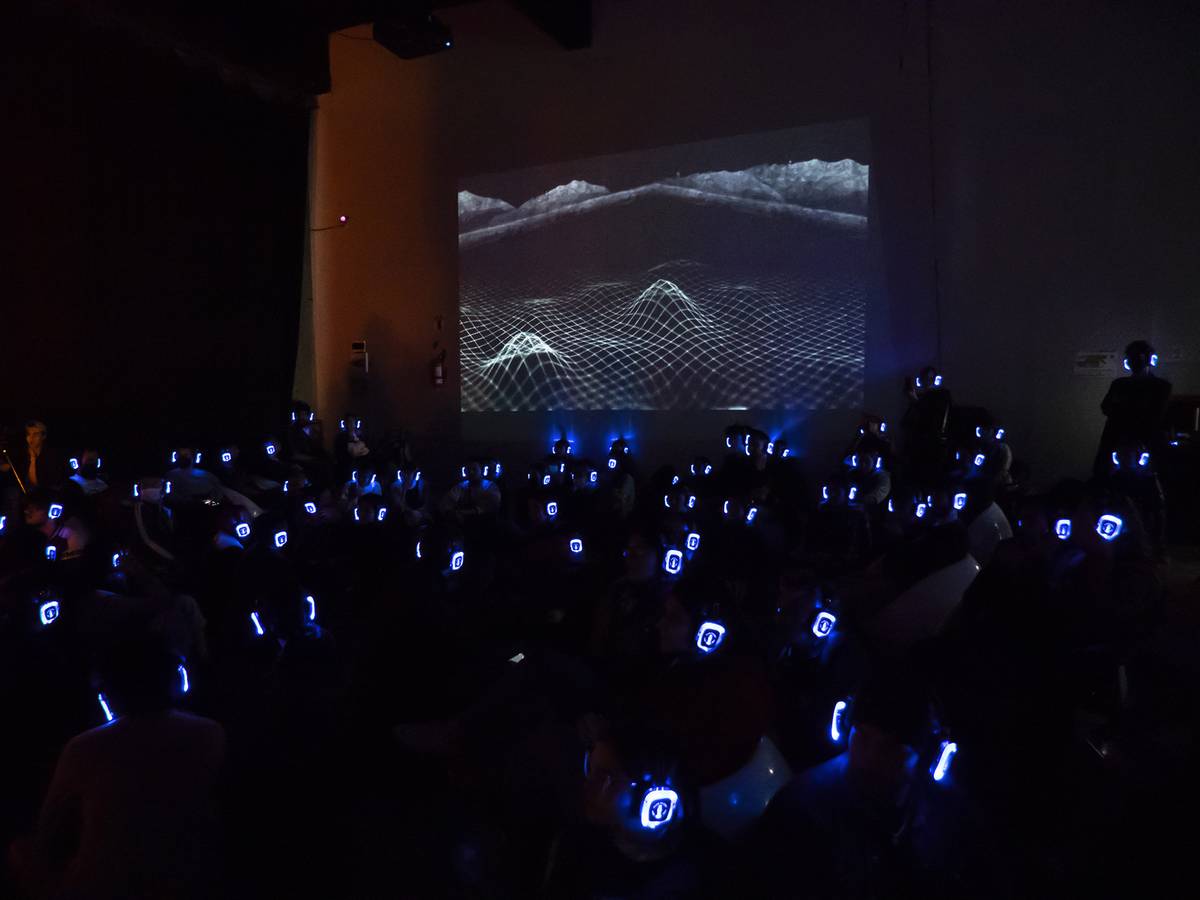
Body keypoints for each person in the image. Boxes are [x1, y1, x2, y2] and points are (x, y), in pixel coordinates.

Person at [7, 634, 227, 900]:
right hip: (190, 881)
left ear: (108, 689)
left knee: (19, 851)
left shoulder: (84, 747)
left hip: (101, 888)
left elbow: (48, 833)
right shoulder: (210, 733)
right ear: (173, 679)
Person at [1094, 340, 1171, 478]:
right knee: (1110, 476)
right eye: (1132, 357)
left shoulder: (1160, 386)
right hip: (1121, 437)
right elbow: (1106, 407)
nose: (1134, 361)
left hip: (1140, 438)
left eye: (1136, 357)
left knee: (1146, 477)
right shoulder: (1120, 384)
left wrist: (1121, 409)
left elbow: (1156, 414)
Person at [2, 420, 68, 492]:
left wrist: (33, 458)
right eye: (29, 434)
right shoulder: (21, 452)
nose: (31, 437)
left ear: (43, 436)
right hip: (24, 493)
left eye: (35, 434)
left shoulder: (52, 455)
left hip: (46, 493)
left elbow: (41, 483)